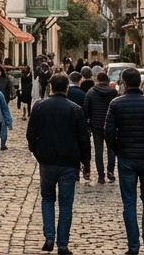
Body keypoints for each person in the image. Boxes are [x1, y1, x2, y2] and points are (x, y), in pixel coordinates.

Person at [105, 68, 144, 255]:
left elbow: (109, 132)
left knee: (129, 202)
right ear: (140, 83)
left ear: (124, 83)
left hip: (127, 158)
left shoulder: (116, 104)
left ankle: (133, 245)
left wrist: (118, 149)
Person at [27, 74, 90, 255]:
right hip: (69, 162)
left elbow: (31, 134)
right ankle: (62, 244)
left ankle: (49, 236)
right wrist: (86, 162)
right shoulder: (75, 109)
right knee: (65, 204)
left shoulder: (39, 107)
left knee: (47, 199)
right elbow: (83, 139)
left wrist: (37, 152)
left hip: (47, 161)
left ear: (50, 87)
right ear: (67, 89)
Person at [83, 71, 118, 184]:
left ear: (97, 80)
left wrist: (88, 123)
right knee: (111, 149)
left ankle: (101, 175)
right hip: (110, 124)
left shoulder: (91, 92)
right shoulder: (113, 92)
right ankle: (110, 171)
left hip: (96, 125)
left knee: (98, 150)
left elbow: (86, 109)